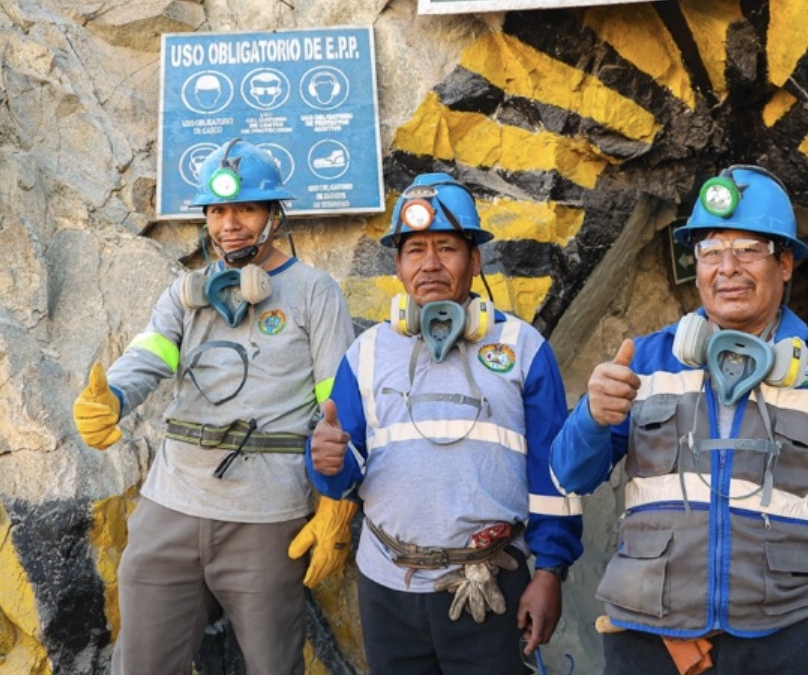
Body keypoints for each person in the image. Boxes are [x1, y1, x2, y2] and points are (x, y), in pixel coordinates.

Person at [550, 165, 808, 675]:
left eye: (748, 250)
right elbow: (568, 477)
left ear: (785, 264)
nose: (727, 268)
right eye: (710, 251)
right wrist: (591, 418)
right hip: (650, 647)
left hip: (789, 646)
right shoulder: (643, 362)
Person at [72, 138, 357, 675]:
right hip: (171, 505)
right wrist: (111, 396)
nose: (231, 224)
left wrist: (336, 501)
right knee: (141, 665)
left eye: (246, 208)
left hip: (267, 515)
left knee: (274, 666)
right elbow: (148, 358)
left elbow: (338, 407)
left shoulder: (316, 293)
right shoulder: (184, 293)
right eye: (218, 210)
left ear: (274, 216)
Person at [307, 172, 584, 674]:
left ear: (474, 259)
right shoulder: (365, 353)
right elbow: (346, 467)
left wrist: (550, 571)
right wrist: (326, 463)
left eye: (446, 249)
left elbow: (554, 472)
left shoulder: (523, 349)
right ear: (398, 265)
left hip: (491, 586)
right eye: (415, 250)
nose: (429, 264)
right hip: (388, 588)